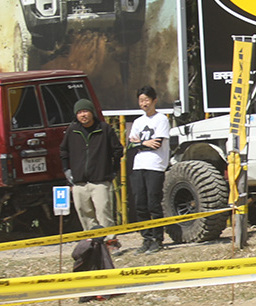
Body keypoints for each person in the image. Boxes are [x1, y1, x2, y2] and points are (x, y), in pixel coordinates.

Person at [60, 98, 122, 233]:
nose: (83, 115)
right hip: (79, 182)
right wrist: (67, 170)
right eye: (79, 112)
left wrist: (113, 170)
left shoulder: (104, 128)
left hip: (100, 181)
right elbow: (63, 151)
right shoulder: (72, 130)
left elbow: (118, 151)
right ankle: (92, 240)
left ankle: (109, 240)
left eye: (85, 111)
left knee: (103, 212)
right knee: (84, 214)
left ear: (92, 112)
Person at [127, 85, 172, 253]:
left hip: (155, 165)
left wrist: (140, 143)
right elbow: (130, 145)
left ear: (154, 100)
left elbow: (157, 144)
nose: (144, 104)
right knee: (140, 203)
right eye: (141, 101)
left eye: (146, 100)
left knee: (153, 202)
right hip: (138, 165)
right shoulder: (138, 122)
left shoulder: (161, 119)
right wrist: (144, 143)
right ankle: (146, 238)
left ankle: (158, 239)